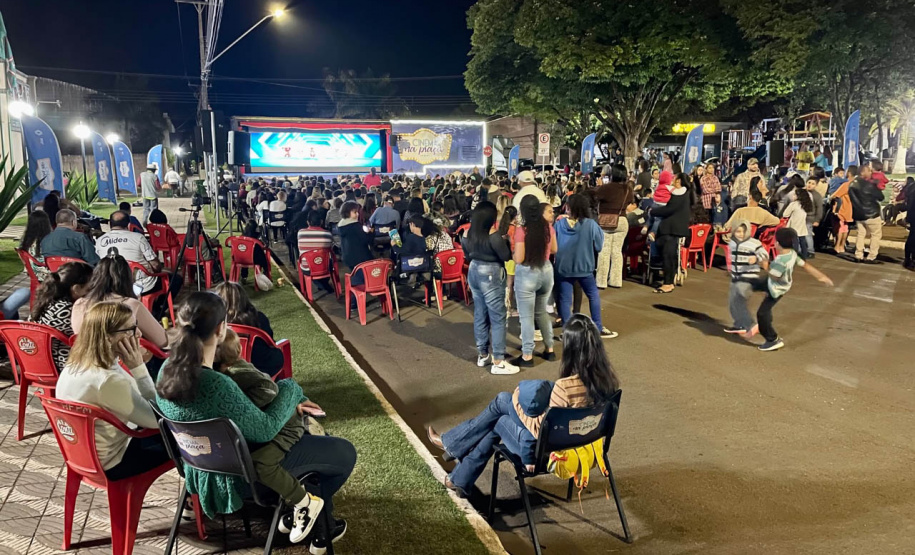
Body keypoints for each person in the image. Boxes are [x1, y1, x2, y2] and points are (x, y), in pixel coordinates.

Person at [156, 292, 354, 553]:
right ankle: (300, 508)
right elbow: (264, 430)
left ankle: (302, 506)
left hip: (203, 467)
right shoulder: (215, 384)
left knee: (307, 446)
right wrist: (290, 388)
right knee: (343, 453)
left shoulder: (165, 372)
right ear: (220, 329)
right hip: (246, 475)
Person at [426, 314, 620, 496]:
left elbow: (539, 431)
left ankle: (453, 450)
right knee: (500, 410)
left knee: (501, 408)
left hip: (549, 455)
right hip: (584, 447)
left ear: (571, 349)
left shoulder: (565, 387)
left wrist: (517, 401)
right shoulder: (609, 382)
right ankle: (458, 473)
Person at [213, 330, 325, 543]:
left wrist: (250, 407)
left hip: (284, 428)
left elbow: (270, 389)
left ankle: (303, 503)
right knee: (260, 463)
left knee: (262, 464)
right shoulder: (224, 376)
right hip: (268, 427)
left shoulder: (239, 372)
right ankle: (295, 510)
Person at [56, 301, 169, 480]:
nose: (138, 334)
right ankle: (195, 501)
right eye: (131, 329)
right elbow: (158, 420)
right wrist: (138, 367)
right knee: (187, 441)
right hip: (113, 461)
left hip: (82, 455)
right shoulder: (107, 381)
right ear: (109, 337)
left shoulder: (76, 364)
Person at [746, 228, 833, 351]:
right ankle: (762, 323)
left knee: (762, 313)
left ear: (777, 244)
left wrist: (765, 265)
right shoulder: (792, 253)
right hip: (780, 283)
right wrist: (821, 276)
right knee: (751, 285)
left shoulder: (782, 262)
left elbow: (774, 275)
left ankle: (772, 339)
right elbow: (805, 265)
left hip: (776, 288)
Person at [461, 202, 518, 375]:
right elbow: (506, 256)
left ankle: (483, 354)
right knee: (498, 316)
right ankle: (499, 360)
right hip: (491, 272)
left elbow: (466, 253)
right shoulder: (493, 236)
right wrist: (507, 241)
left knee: (480, 313)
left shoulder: (467, 233)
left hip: (474, 271)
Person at [72, 251, 169, 351]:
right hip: (123, 362)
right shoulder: (130, 304)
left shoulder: (80, 303)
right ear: (128, 278)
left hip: (85, 360)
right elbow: (162, 341)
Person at [553, 194, 617, 338]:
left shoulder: (559, 224)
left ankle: (567, 330)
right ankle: (598, 327)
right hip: (585, 268)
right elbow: (599, 246)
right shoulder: (591, 224)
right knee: (593, 295)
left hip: (563, 268)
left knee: (564, 299)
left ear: (568, 207)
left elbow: (553, 246)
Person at [512, 195, 557, 367]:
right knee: (542, 313)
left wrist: (513, 252)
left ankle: (527, 355)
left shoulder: (522, 231)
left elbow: (520, 258)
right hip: (546, 271)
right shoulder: (547, 228)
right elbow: (554, 249)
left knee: (526, 317)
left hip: (527, 274)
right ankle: (550, 349)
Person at [212, 281, 285, 378]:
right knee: (277, 353)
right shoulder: (259, 317)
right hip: (260, 366)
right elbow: (271, 341)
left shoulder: (215, 321)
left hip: (227, 367)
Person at [30, 262, 94, 369]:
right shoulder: (66, 310)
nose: (91, 293)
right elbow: (89, 336)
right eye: (88, 289)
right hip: (60, 365)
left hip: (38, 360)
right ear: (76, 288)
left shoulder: (48, 298)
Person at [96, 210, 162, 294]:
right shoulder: (138, 238)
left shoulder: (99, 241)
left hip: (111, 286)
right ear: (128, 224)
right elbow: (155, 265)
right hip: (139, 286)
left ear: (110, 224)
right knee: (175, 279)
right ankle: (157, 306)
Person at [723, 220, 770, 335]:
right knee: (733, 303)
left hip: (748, 277)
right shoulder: (732, 243)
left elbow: (765, 255)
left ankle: (750, 324)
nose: (741, 234)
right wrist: (731, 271)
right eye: (738, 231)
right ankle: (740, 324)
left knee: (739, 300)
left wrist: (756, 258)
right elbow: (732, 258)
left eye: (744, 232)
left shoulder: (754, 243)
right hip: (736, 277)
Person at [590, 164, 633, 289]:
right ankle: (616, 280)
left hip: (606, 221)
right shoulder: (628, 189)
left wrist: (599, 185)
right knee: (617, 252)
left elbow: (594, 196)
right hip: (622, 220)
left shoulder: (606, 188)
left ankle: (601, 281)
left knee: (604, 251)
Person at [651, 173, 691, 294]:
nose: (673, 181)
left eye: (675, 179)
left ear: (679, 181)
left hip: (672, 230)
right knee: (671, 255)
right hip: (675, 229)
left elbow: (669, 209)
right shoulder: (686, 194)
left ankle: (668, 283)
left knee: (668, 255)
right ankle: (669, 281)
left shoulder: (680, 194)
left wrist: (653, 211)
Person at [847, 164, 883, 264]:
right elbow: (881, 197)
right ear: (863, 172)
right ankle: (871, 256)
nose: (871, 173)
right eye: (869, 171)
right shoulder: (868, 185)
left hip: (858, 214)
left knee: (861, 234)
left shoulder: (851, 184)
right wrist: (876, 186)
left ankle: (858, 255)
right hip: (871, 213)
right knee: (875, 235)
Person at [338, 201, 375, 289]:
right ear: (347, 213)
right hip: (360, 257)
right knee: (363, 278)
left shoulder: (341, 225)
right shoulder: (355, 226)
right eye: (355, 212)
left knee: (357, 275)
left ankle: (355, 296)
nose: (357, 214)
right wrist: (371, 233)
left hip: (348, 256)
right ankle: (355, 299)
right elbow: (366, 240)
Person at [782, 188, 813, 258]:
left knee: (794, 242)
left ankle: (794, 255)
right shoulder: (805, 205)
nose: (793, 196)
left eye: (794, 195)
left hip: (794, 225)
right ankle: (804, 255)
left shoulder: (793, 204)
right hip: (802, 225)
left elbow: (785, 214)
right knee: (802, 242)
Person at [904, 178, 915, 271]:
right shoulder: (913, 188)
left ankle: (908, 259)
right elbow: (910, 205)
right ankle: (910, 259)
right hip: (913, 216)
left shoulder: (911, 187)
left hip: (912, 216)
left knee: (912, 237)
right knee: (912, 238)